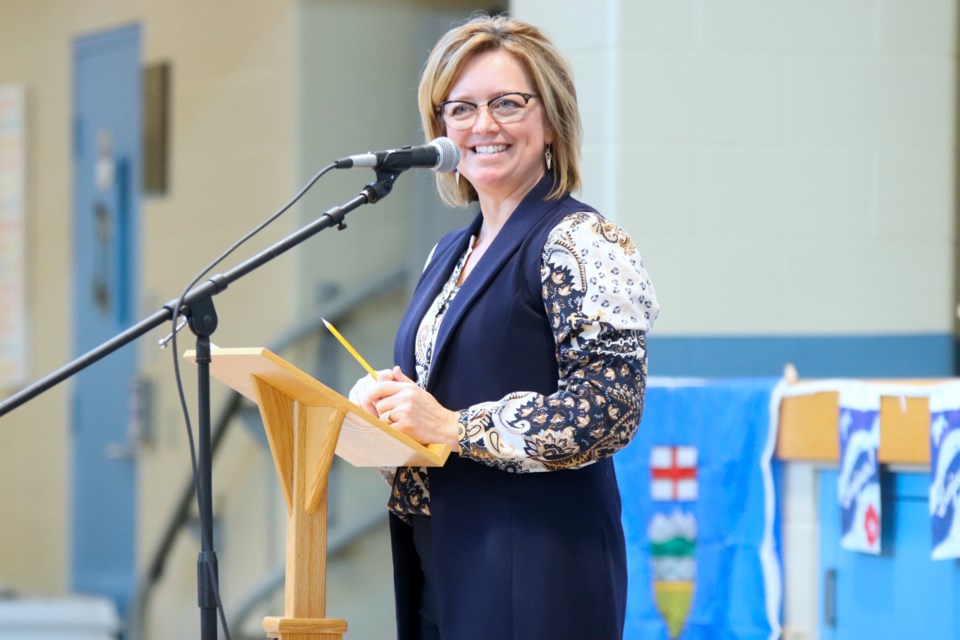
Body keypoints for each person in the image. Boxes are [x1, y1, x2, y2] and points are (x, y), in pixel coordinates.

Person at [349, 14, 659, 640]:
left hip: (540, 568)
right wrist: (384, 409)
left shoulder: (582, 241)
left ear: (550, 121)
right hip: (445, 557)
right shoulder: (450, 253)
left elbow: (609, 409)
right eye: (460, 109)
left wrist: (454, 426)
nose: (482, 126)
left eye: (507, 104)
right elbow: (446, 392)